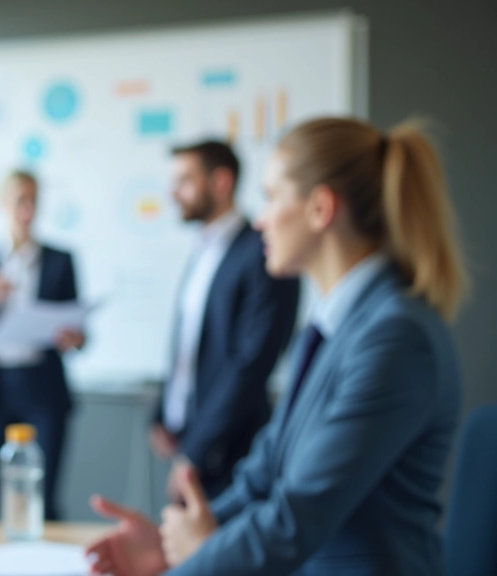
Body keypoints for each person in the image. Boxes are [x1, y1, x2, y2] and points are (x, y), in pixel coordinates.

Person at [87, 117, 467, 575]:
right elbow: (263, 474)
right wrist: (171, 548)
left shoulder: (396, 337)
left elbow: (293, 521)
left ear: (320, 209)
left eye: (270, 197)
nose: (260, 219)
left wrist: (184, 566)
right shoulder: (334, 325)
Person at [151, 141, 300, 499]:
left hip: (231, 451)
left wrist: (194, 452)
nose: (175, 193)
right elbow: (188, 342)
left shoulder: (263, 253)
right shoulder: (202, 250)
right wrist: (162, 413)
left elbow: (249, 364)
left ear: (221, 182)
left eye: (185, 180)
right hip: (188, 440)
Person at [0, 170, 86, 521]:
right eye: (19, 201)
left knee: (43, 496)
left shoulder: (60, 260)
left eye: (33, 201)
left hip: (42, 385)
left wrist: (74, 337)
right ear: (1, 204)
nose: (27, 210)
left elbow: (77, 325)